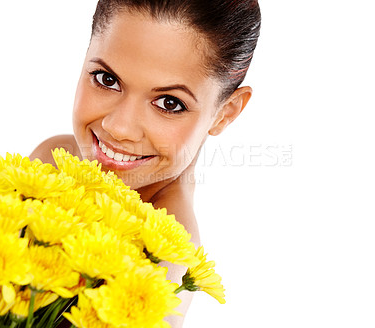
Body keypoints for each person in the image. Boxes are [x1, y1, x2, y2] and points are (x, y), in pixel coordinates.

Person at [30, 0, 261, 326]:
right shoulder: (53, 158)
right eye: (106, 79)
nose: (118, 127)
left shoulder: (164, 258)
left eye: (169, 103)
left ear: (225, 113)